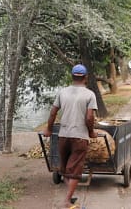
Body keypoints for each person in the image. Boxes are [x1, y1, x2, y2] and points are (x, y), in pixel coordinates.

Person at [44, 64, 97, 209]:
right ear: (85, 77)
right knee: (74, 171)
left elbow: (53, 113)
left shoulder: (62, 92)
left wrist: (49, 129)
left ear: (72, 77)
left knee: (66, 168)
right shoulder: (89, 94)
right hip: (79, 137)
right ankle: (67, 201)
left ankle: (70, 195)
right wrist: (91, 132)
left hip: (63, 136)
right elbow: (89, 117)